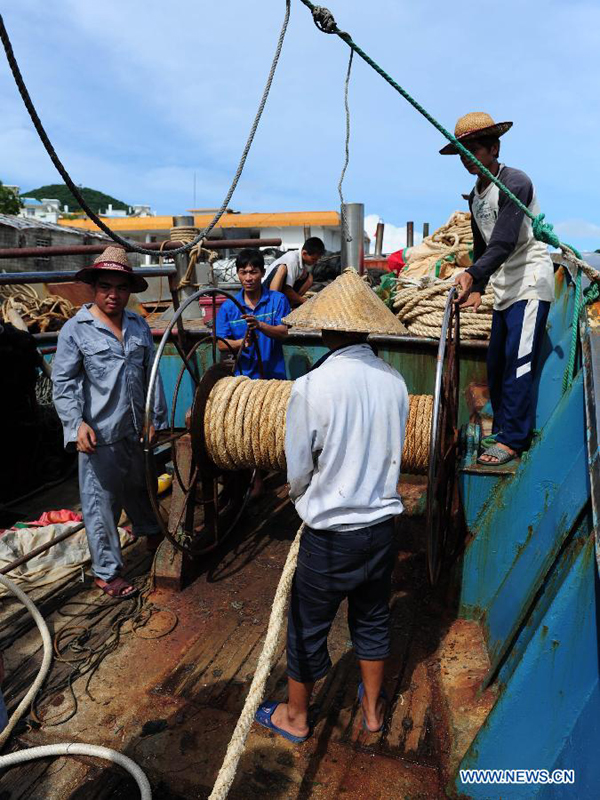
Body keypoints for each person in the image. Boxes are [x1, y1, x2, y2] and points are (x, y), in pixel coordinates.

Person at [255, 268, 409, 742]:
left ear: (324, 329)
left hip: (330, 539)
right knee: (373, 617)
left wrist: (303, 498)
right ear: (366, 326)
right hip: (381, 531)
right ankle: (373, 714)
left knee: (307, 625)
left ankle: (297, 718)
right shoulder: (396, 382)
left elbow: (298, 469)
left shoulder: (312, 386)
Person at [52, 246, 168, 599]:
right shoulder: (75, 331)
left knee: (139, 484)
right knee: (100, 504)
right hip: (98, 434)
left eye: (120, 288)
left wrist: (154, 416)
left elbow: (151, 374)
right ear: (93, 288)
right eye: (105, 287)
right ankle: (107, 572)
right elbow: (64, 383)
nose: (113, 295)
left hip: (134, 428)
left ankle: (150, 531)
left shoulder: (137, 325)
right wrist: (76, 424)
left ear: (129, 291)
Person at [442, 112, 554, 466]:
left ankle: (514, 439)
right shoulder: (475, 196)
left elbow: (503, 242)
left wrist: (472, 273)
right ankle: (505, 429)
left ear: (494, 147)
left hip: (530, 281)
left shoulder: (514, 182)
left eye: (473, 149)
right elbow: (482, 245)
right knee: (497, 363)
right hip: (505, 286)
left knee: (518, 363)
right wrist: (477, 285)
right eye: (462, 152)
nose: (467, 158)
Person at [216, 248, 290, 379]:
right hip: (243, 381)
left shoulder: (278, 300)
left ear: (263, 273)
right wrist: (242, 343)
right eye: (243, 272)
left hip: (274, 379)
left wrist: (260, 325)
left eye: (253, 272)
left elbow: (283, 332)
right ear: (237, 273)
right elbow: (221, 344)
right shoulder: (228, 307)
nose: (248, 278)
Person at [263, 237, 325, 308]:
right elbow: (287, 289)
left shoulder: (302, 265)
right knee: (282, 269)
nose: (315, 262)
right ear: (304, 253)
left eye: (317, 259)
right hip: (266, 291)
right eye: (313, 259)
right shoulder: (292, 260)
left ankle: (288, 306)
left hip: (282, 292)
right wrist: (303, 300)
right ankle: (272, 306)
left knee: (309, 278)